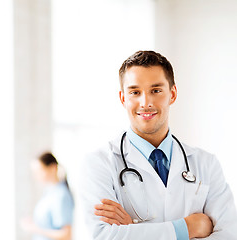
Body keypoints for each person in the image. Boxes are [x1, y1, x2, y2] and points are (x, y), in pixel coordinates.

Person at [79, 50, 237, 239]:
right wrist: (187, 228)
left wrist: (133, 232)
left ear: (172, 94)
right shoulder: (99, 164)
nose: (145, 103)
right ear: (123, 98)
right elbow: (103, 236)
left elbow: (229, 234)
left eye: (156, 91)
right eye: (135, 92)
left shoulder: (206, 164)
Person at [21, 152, 74, 240]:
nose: (36, 176)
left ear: (53, 168)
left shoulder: (61, 195)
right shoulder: (48, 192)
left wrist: (35, 228)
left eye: (39, 171)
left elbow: (66, 235)